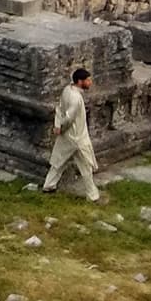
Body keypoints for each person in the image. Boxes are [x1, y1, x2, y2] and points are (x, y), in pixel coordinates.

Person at [42, 67, 101, 201]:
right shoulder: (75, 98)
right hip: (77, 137)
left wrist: (58, 126)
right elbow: (69, 117)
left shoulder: (67, 90)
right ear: (80, 81)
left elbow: (60, 109)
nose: (90, 82)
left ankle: (49, 185)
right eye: (88, 80)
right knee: (86, 166)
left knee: (58, 162)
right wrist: (61, 127)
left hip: (67, 136)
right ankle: (93, 195)